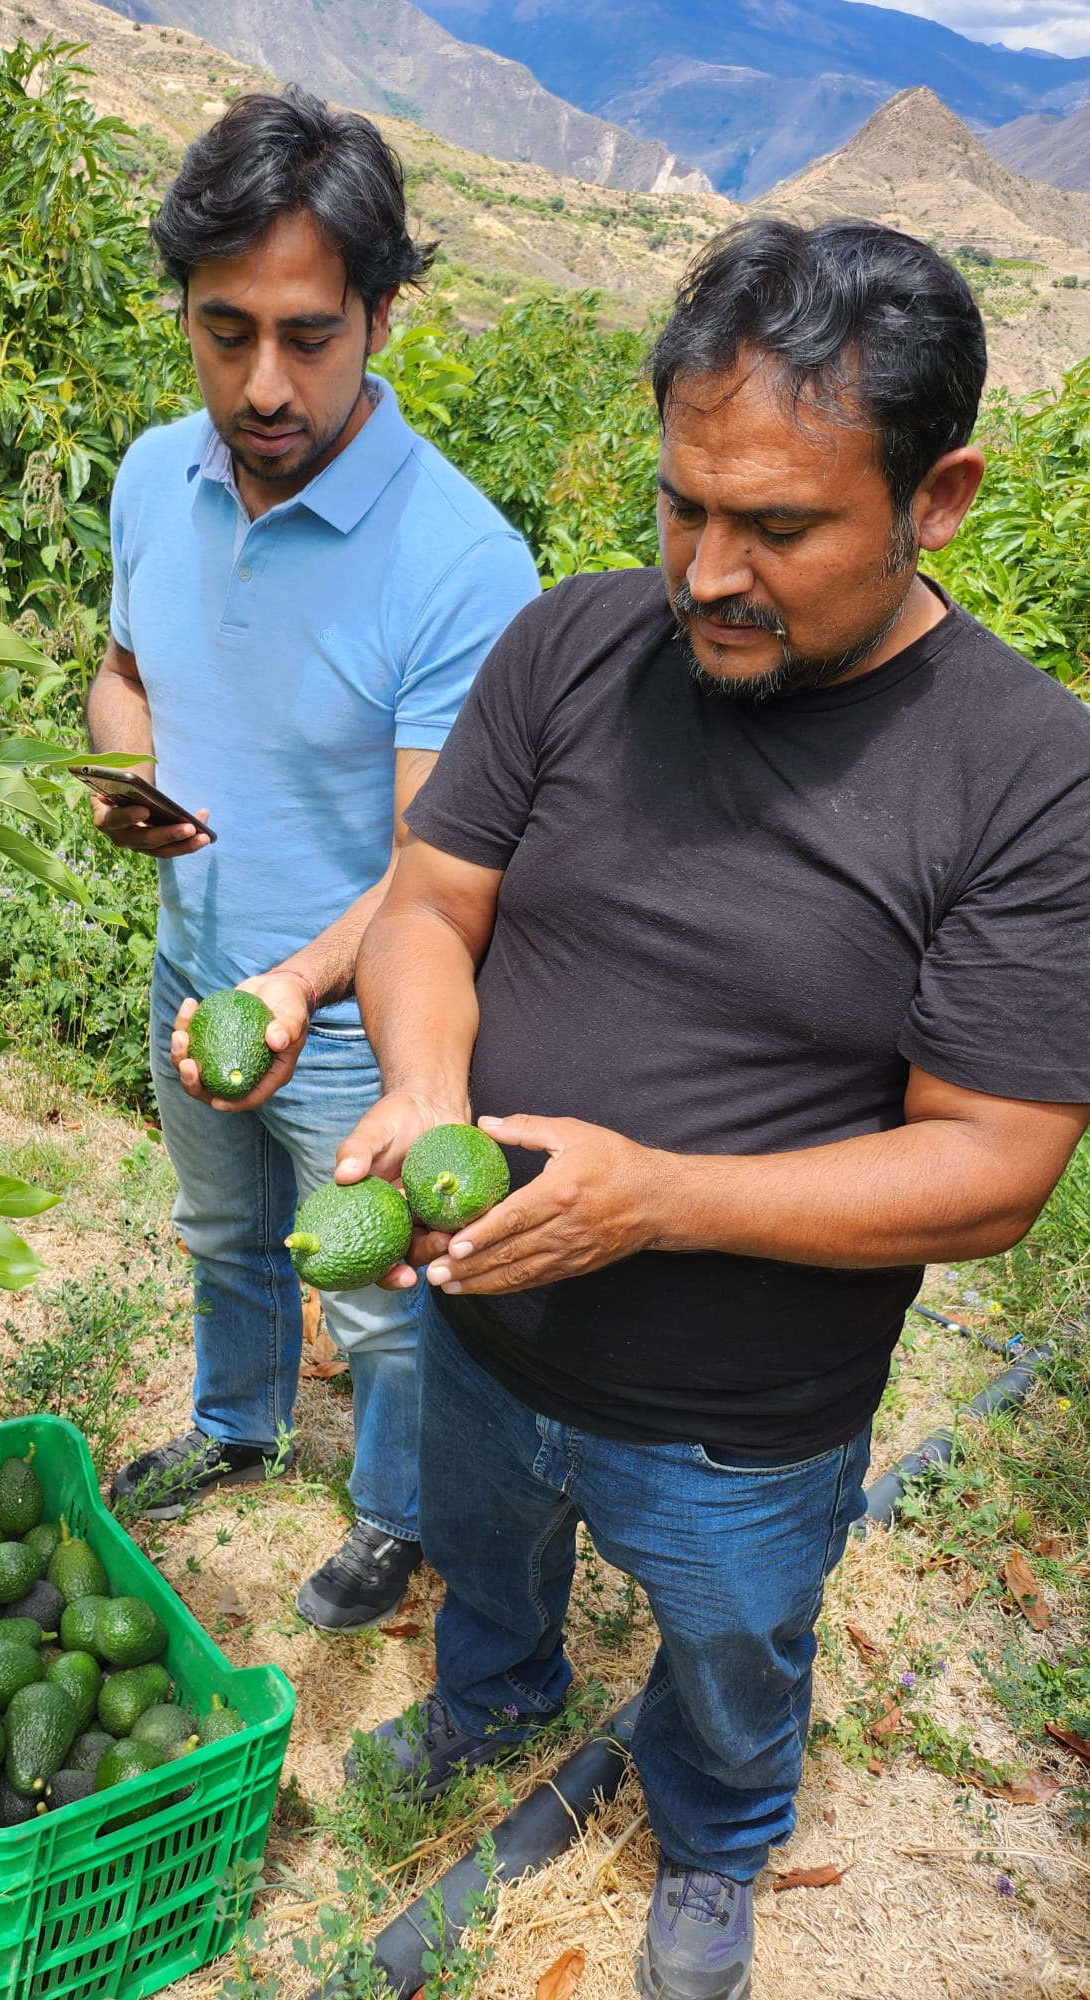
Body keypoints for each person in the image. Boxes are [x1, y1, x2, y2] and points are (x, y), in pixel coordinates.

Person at [335, 217, 1090, 1997]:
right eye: (685, 505)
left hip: (739, 1425)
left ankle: (718, 1832)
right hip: (486, 1330)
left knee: (735, 1648)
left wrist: (656, 1197)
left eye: (782, 526)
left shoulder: (1025, 777)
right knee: (487, 1554)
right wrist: (435, 1097)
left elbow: (992, 1168)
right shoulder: (574, 644)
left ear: (942, 496)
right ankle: (496, 1698)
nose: (708, 571)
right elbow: (432, 905)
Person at [86, 87, 540, 1630]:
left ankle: (396, 1513)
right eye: (225, 333)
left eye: (308, 334)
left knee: (384, 1304)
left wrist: (296, 986)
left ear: (384, 316)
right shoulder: (155, 474)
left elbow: (441, 868)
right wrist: (125, 772)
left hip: (357, 1017)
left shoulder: (459, 563)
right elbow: (126, 670)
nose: (263, 382)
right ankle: (236, 1425)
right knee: (225, 1230)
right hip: (196, 962)